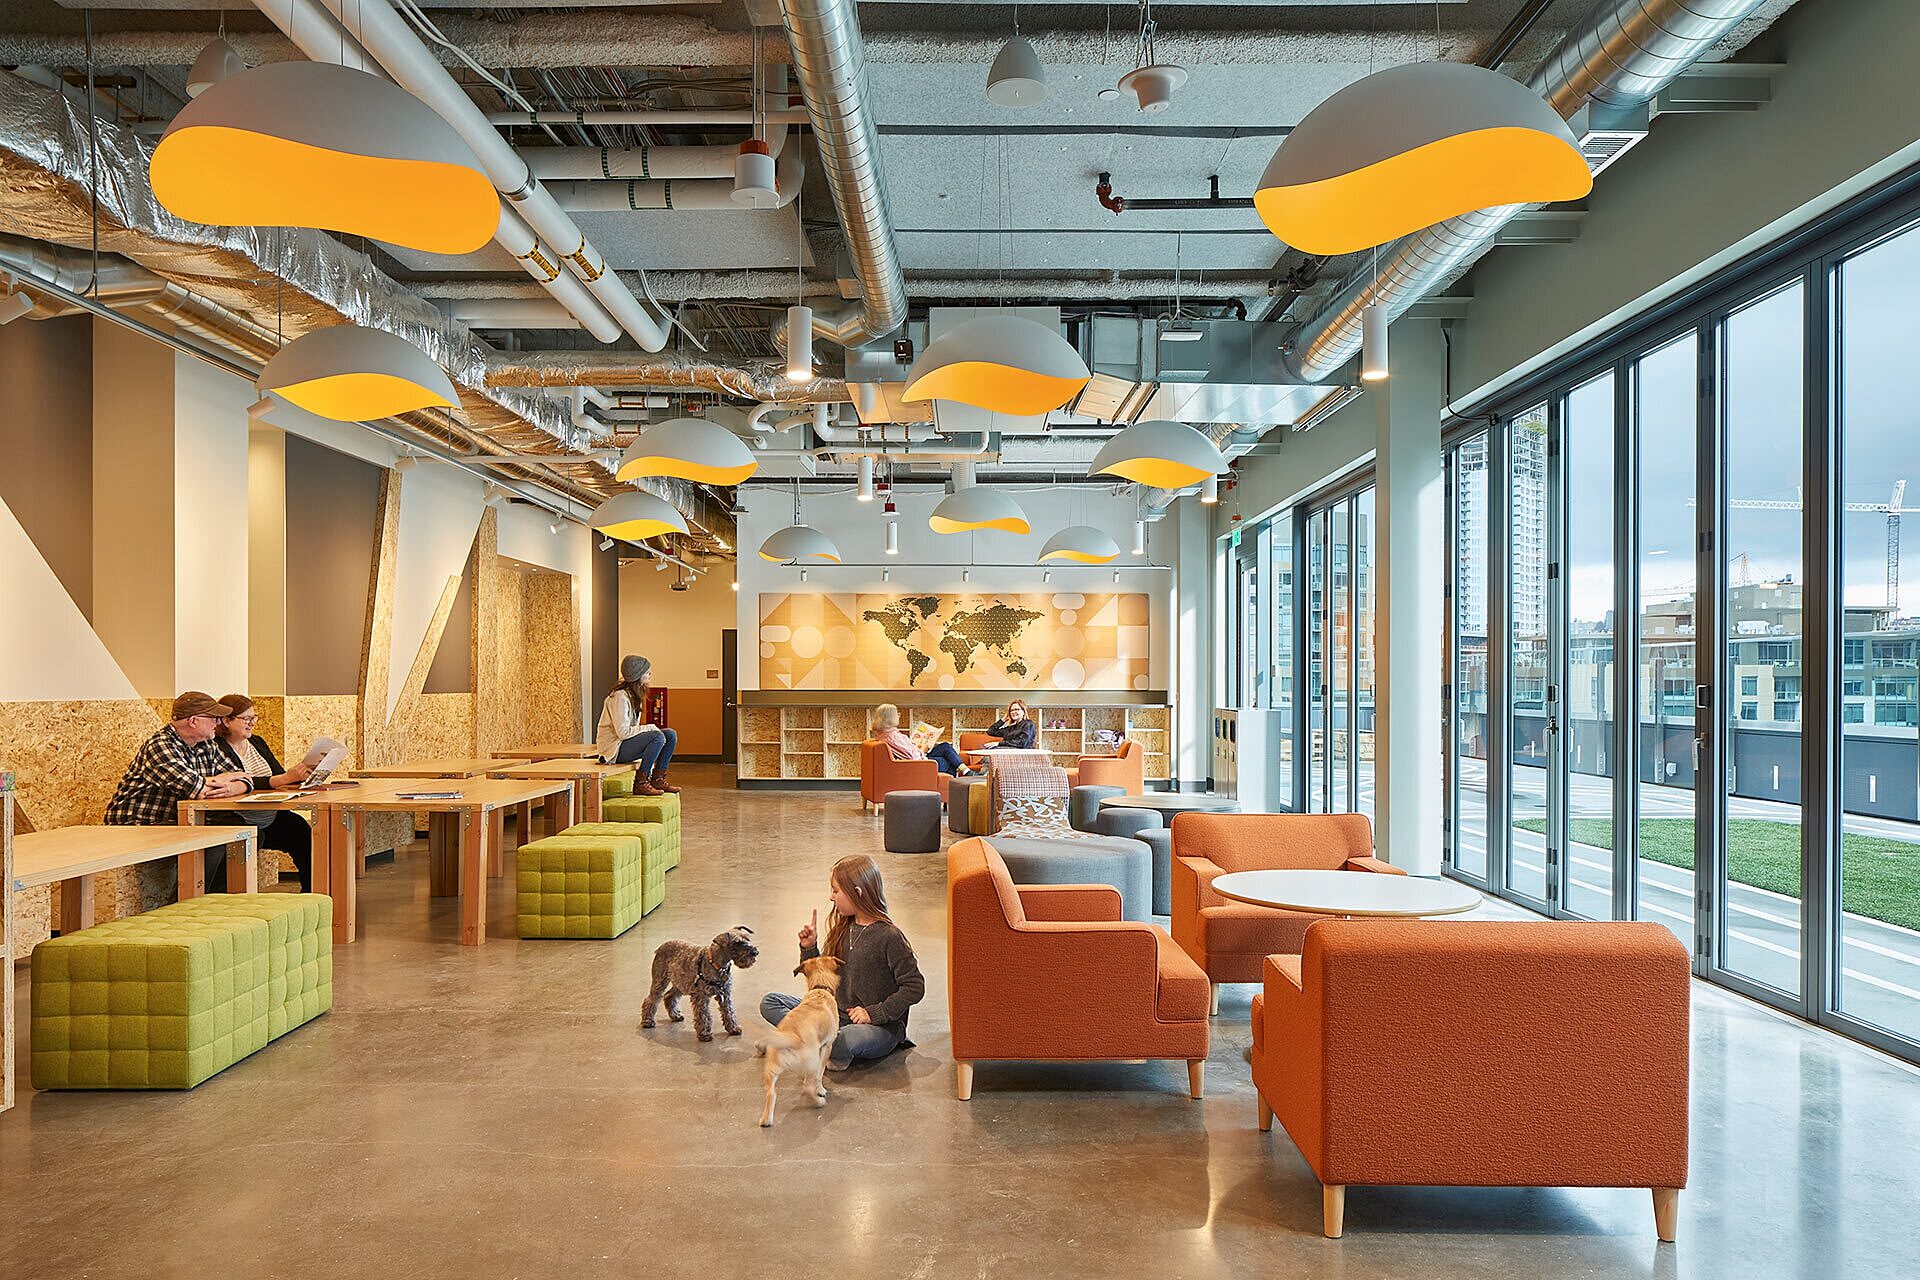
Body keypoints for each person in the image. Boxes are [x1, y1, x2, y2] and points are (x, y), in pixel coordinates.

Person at [761, 854, 924, 1071]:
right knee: (770, 1002)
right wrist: (809, 947)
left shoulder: (890, 936)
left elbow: (915, 987)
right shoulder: (843, 928)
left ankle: (799, 1041)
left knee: (844, 1039)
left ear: (857, 893)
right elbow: (822, 979)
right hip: (835, 1015)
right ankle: (813, 1043)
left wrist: (873, 1013)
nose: (831, 897)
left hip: (877, 1027)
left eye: (836, 891)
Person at [105, 692, 254, 893]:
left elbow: (245, 778)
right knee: (211, 843)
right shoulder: (161, 745)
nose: (217, 723)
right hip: (140, 826)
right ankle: (187, 904)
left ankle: (218, 900)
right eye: (213, 718)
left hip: (179, 821)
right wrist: (218, 780)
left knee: (246, 831)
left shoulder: (207, 743)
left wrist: (231, 785)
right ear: (193, 721)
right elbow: (197, 790)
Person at [209, 694, 316, 893]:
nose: (252, 723)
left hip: (269, 816)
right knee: (255, 837)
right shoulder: (215, 747)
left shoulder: (257, 742)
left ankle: (311, 894)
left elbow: (277, 775)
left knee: (300, 831)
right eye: (246, 719)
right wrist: (283, 779)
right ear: (226, 720)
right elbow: (239, 781)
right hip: (238, 818)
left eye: (254, 718)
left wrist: (298, 777)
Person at [595, 654, 678, 795]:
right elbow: (623, 732)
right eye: (646, 672)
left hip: (624, 744)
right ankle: (641, 783)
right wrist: (650, 727)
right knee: (657, 736)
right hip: (613, 750)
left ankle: (657, 779)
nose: (650, 674)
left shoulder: (633, 695)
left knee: (670, 734)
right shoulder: (619, 697)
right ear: (637, 675)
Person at [872, 702, 969, 776]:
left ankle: (964, 771)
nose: (898, 715)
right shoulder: (893, 737)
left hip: (918, 758)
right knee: (948, 761)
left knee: (945, 746)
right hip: (920, 764)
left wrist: (919, 748)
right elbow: (912, 757)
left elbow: (906, 752)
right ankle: (948, 794)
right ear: (890, 717)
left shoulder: (883, 733)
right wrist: (922, 751)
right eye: (897, 713)